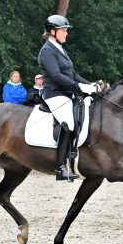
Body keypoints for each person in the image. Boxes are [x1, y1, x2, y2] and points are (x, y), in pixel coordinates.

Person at [38, 14, 99, 181]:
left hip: (67, 93)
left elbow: (73, 74)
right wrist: (79, 87)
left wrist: (90, 85)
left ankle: (75, 157)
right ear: (52, 31)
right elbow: (56, 76)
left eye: (66, 30)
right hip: (54, 94)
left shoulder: (61, 49)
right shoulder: (47, 51)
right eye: (63, 30)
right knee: (68, 123)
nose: (66, 33)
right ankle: (60, 167)